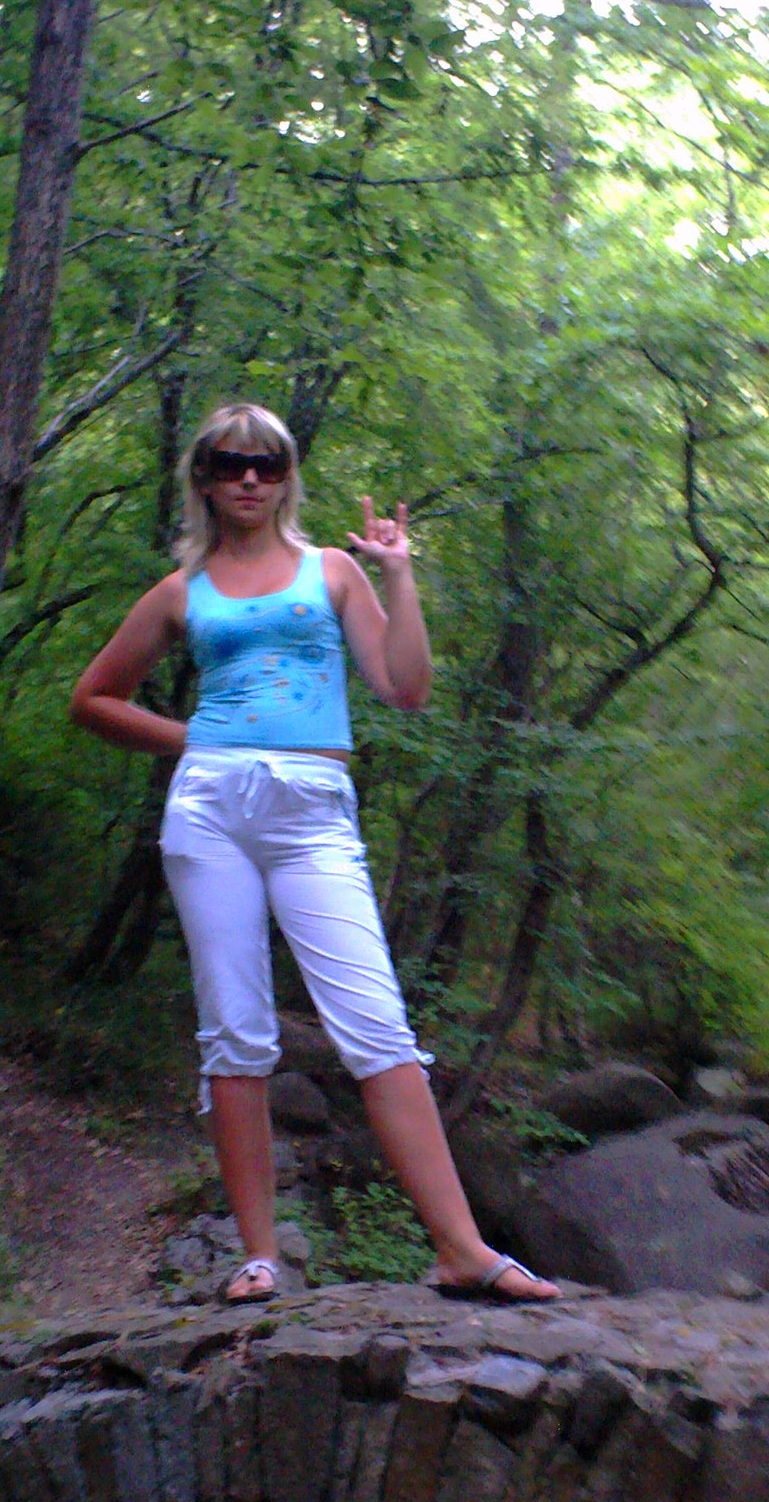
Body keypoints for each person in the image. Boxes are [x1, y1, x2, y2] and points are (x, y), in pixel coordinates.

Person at [70, 402, 559, 1307]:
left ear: (288, 477)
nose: (249, 478)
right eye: (230, 463)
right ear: (204, 478)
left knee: (376, 1024)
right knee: (234, 1029)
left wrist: (400, 576)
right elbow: (93, 698)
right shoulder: (181, 591)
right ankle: (259, 1257)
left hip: (313, 812)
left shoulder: (331, 570)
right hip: (211, 811)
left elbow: (405, 688)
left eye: (268, 464)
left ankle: (462, 1250)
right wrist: (193, 739)